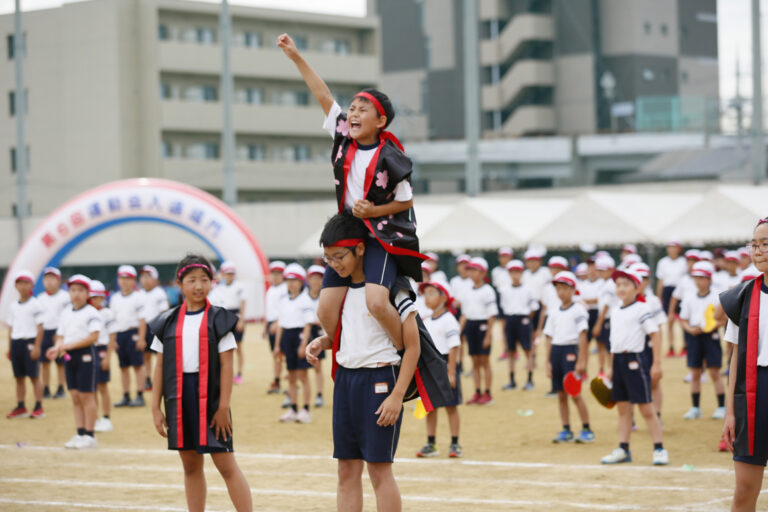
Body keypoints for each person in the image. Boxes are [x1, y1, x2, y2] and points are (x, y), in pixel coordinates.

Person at [279, 32, 425, 370]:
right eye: (353, 108)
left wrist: (374, 211)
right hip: (347, 234)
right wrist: (296, 57)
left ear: (381, 121)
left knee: (376, 302)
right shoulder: (343, 137)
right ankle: (335, 340)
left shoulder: (392, 157)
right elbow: (322, 93)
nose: (354, 113)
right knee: (325, 309)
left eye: (364, 110)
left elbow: (405, 202)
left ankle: (403, 354)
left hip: (381, 236)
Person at [304, 213, 421, 512]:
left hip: (380, 380)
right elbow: (352, 333)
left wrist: (397, 396)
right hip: (346, 380)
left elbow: (412, 347)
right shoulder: (341, 291)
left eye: (338, 256)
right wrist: (324, 341)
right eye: (328, 258)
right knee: (346, 469)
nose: (333, 265)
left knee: (379, 470)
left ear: (360, 249)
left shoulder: (393, 288)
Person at [149, 254, 252, 512]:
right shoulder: (166, 322)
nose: (198, 286)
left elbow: (227, 364)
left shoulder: (219, 319)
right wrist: (154, 407)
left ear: (212, 283)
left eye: (204, 280)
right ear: (179, 283)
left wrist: (222, 407)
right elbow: (160, 365)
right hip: (179, 399)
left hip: (212, 399)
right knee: (191, 466)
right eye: (191, 280)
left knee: (226, 465)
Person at [721, 218, 768, 511]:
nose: (758, 250)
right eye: (754, 244)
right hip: (754, 394)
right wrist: (730, 412)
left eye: (765, 244)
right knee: (744, 490)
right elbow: (736, 356)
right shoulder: (742, 296)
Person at [600, 266, 667, 465]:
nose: (621, 288)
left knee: (646, 408)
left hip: (635, 361)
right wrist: (611, 368)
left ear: (636, 288)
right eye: (618, 284)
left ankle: (659, 449)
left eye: (626, 284)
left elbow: (654, 334)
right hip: (618, 362)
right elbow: (614, 343)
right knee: (623, 408)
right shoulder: (615, 311)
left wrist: (656, 364)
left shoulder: (642, 308)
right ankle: (623, 449)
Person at [47, 275, 102, 449]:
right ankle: (80, 433)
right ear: (69, 293)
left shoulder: (92, 312)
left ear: (87, 293)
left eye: (80, 290)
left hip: (85, 355)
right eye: (73, 290)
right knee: (75, 396)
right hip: (69, 356)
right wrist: (57, 347)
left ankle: (90, 435)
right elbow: (61, 336)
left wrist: (68, 345)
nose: (76, 294)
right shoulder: (65, 313)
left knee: (87, 395)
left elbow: (93, 337)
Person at [544, 271, 593, 444]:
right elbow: (549, 337)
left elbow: (583, 336)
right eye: (558, 288)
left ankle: (587, 429)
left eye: (565, 288)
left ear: (573, 289)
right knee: (561, 393)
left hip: (571, 351)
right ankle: (566, 429)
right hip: (556, 352)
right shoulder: (553, 311)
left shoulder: (578, 309)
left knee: (574, 392)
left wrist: (582, 360)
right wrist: (548, 362)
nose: (561, 292)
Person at [416, 277, 462, 458]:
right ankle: (431, 443)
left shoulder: (449, 319)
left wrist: (451, 372)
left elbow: (454, 347)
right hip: (430, 366)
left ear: (443, 298)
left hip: (446, 364)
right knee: (430, 406)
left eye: (432, 293)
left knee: (451, 406)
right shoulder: (426, 320)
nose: (427, 297)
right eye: (425, 294)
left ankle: (455, 444)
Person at [679, 261, 727, 420]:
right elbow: (683, 319)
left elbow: (725, 318)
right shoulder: (689, 297)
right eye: (696, 277)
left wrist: (713, 327)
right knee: (695, 373)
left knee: (714, 372)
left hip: (711, 337)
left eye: (702, 277)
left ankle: (721, 407)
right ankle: (695, 408)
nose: (698, 281)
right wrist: (689, 329)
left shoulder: (717, 296)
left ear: (709, 279)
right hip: (694, 337)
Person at [275, 263, 314, 424]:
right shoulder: (284, 300)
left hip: (299, 337)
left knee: (302, 376)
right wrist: (277, 345)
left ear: (301, 282)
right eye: (288, 280)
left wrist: (304, 344)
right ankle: (293, 408)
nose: (291, 283)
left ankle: (305, 409)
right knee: (290, 376)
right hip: (287, 337)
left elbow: (308, 324)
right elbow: (281, 324)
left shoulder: (305, 299)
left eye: (295, 280)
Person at [6, 270, 45, 419]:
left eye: (26, 283)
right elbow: (11, 327)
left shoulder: (35, 304)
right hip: (17, 343)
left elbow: (40, 327)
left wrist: (37, 346)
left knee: (34, 376)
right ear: (16, 285)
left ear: (32, 285)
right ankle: (21, 405)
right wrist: (10, 347)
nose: (23, 286)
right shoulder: (13, 306)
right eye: (20, 283)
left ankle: (38, 406)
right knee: (19, 377)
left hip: (30, 342)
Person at [460, 257, 498, 405]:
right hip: (470, 326)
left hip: (483, 326)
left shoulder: (488, 290)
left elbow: (492, 315)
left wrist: (488, 336)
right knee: (474, 361)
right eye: (470, 270)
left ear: (483, 273)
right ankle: (477, 392)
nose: (471, 273)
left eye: (475, 270)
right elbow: (464, 314)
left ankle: (487, 393)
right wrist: (459, 331)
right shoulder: (467, 290)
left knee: (484, 361)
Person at [498, 259, 539, 391]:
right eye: (512, 272)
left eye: (517, 272)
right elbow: (503, 307)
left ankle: (530, 379)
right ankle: (512, 380)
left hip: (523, 319)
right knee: (510, 351)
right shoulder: (504, 290)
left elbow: (534, 307)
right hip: (510, 319)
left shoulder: (528, 290)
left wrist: (526, 319)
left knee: (527, 349)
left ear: (522, 273)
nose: (515, 275)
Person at [110, 265, 146, 407]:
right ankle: (126, 395)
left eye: (128, 278)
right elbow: (112, 320)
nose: (124, 281)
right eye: (122, 278)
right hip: (120, 334)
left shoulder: (138, 297)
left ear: (133, 281)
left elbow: (142, 320)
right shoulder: (115, 298)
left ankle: (140, 394)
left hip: (133, 333)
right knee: (123, 367)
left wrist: (141, 338)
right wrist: (112, 340)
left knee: (137, 365)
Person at [37, 267, 70, 399]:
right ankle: (45, 388)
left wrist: (62, 333)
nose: (50, 282)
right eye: (47, 279)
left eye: (52, 279)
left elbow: (67, 316)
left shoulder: (65, 297)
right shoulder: (40, 298)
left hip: (59, 333)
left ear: (59, 280)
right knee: (44, 362)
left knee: (61, 362)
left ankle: (61, 387)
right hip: (45, 332)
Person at [89, 280, 118, 433]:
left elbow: (112, 336)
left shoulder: (107, 313)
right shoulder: (86, 312)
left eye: (97, 297)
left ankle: (106, 418)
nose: (94, 300)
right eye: (92, 297)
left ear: (102, 297)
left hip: (101, 350)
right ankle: (93, 418)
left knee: (102, 386)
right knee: (90, 388)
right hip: (88, 350)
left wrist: (107, 357)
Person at [211, 261, 246, 384]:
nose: (229, 276)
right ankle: (225, 373)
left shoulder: (239, 286)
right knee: (223, 347)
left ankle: (239, 373)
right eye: (227, 273)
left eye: (231, 273)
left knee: (238, 346)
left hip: (235, 315)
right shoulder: (219, 288)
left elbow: (243, 304)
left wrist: (241, 320)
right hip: (224, 316)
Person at [138, 265, 170, 391]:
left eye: (148, 277)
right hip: (144, 326)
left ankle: (162, 379)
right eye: (143, 277)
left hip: (157, 326)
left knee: (159, 354)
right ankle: (147, 378)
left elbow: (164, 312)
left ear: (155, 279)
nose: (145, 280)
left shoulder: (159, 293)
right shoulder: (139, 294)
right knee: (146, 355)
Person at [304, 264, 327, 407]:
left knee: (317, 365)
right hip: (304, 331)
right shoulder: (303, 296)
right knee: (300, 368)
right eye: (313, 278)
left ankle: (319, 394)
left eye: (319, 278)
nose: (315, 281)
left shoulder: (326, 295)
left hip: (319, 331)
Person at [264, 261, 288, 394]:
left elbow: (286, 309)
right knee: (276, 355)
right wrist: (265, 326)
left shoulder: (285, 289)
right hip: (271, 324)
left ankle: (291, 381)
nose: (275, 276)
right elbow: (269, 309)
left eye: (278, 273)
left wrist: (277, 323)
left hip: (282, 325)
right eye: (273, 273)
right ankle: (277, 381)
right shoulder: (271, 289)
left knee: (284, 354)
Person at [593, 255, 618, 376]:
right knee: (601, 345)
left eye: (603, 270)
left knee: (609, 347)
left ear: (611, 269)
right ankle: (602, 369)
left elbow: (606, 305)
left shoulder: (610, 284)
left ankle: (611, 370)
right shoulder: (602, 284)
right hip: (604, 318)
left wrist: (598, 323)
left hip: (607, 318)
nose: (600, 273)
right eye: (599, 270)